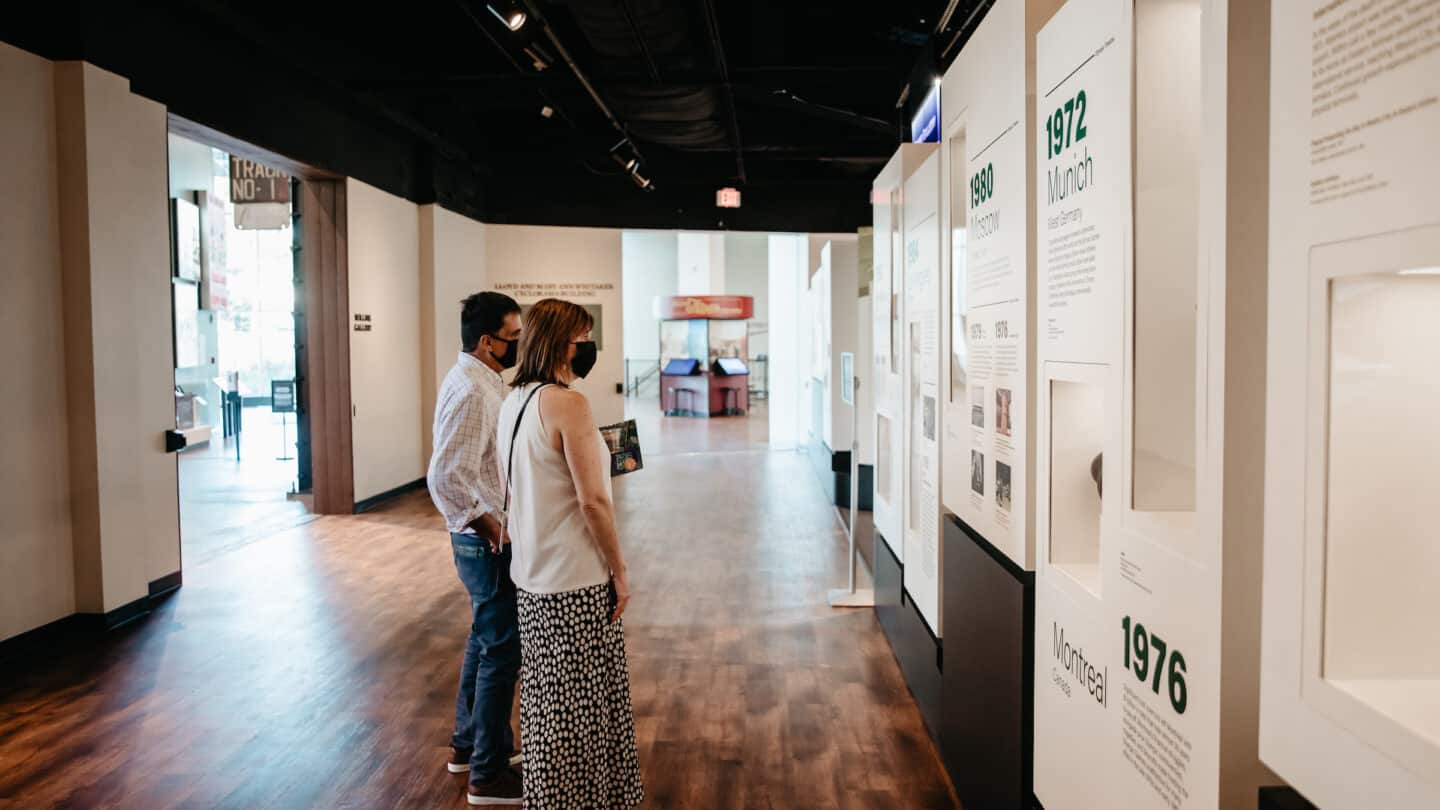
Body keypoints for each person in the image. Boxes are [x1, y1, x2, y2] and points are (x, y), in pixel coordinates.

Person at [497, 298, 644, 808]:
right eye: (584, 338)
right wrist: (620, 572)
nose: (589, 347)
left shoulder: (514, 399)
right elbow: (593, 500)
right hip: (575, 579)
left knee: (546, 700)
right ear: (563, 344)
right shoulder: (568, 403)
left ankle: (550, 796)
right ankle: (585, 798)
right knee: (582, 706)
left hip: (532, 576)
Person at [427, 291, 525, 806]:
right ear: (487, 342)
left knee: (485, 642)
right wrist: (489, 526)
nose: (519, 345)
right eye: (513, 338)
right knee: (503, 650)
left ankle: (470, 747)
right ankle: (487, 774)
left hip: (481, 539)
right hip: (483, 544)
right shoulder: (473, 391)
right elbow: (445, 476)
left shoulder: (480, 381)